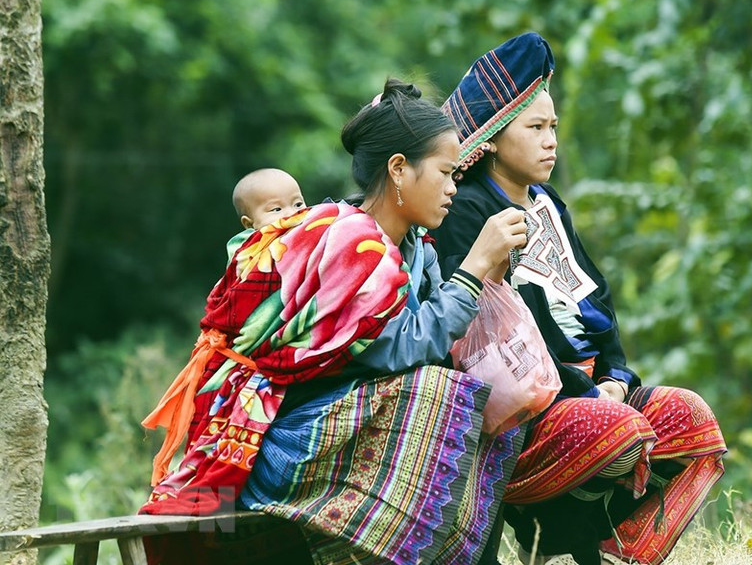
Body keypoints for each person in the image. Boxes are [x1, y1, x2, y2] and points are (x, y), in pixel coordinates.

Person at [139, 78, 530, 565]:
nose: (453, 188)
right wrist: (473, 269)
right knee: (433, 395)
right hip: (274, 440)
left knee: (477, 405)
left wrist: (491, 274)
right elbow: (404, 349)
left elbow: (442, 342)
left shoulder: (416, 249)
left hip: (340, 431)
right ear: (399, 169)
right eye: (446, 172)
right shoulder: (347, 241)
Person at [431, 32, 727, 565]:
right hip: (532, 403)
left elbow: (595, 297)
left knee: (689, 416)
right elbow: (492, 333)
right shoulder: (466, 212)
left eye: (554, 127)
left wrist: (615, 376)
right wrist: (586, 392)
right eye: (535, 128)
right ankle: (563, 530)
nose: (551, 142)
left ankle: (611, 545)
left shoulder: (547, 202)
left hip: (595, 389)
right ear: (493, 136)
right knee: (621, 432)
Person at [225, 167, 308, 259]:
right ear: (249, 224)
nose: (292, 213)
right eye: (277, 209)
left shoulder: (312, 224)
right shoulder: (244, 252)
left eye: (298, 204)